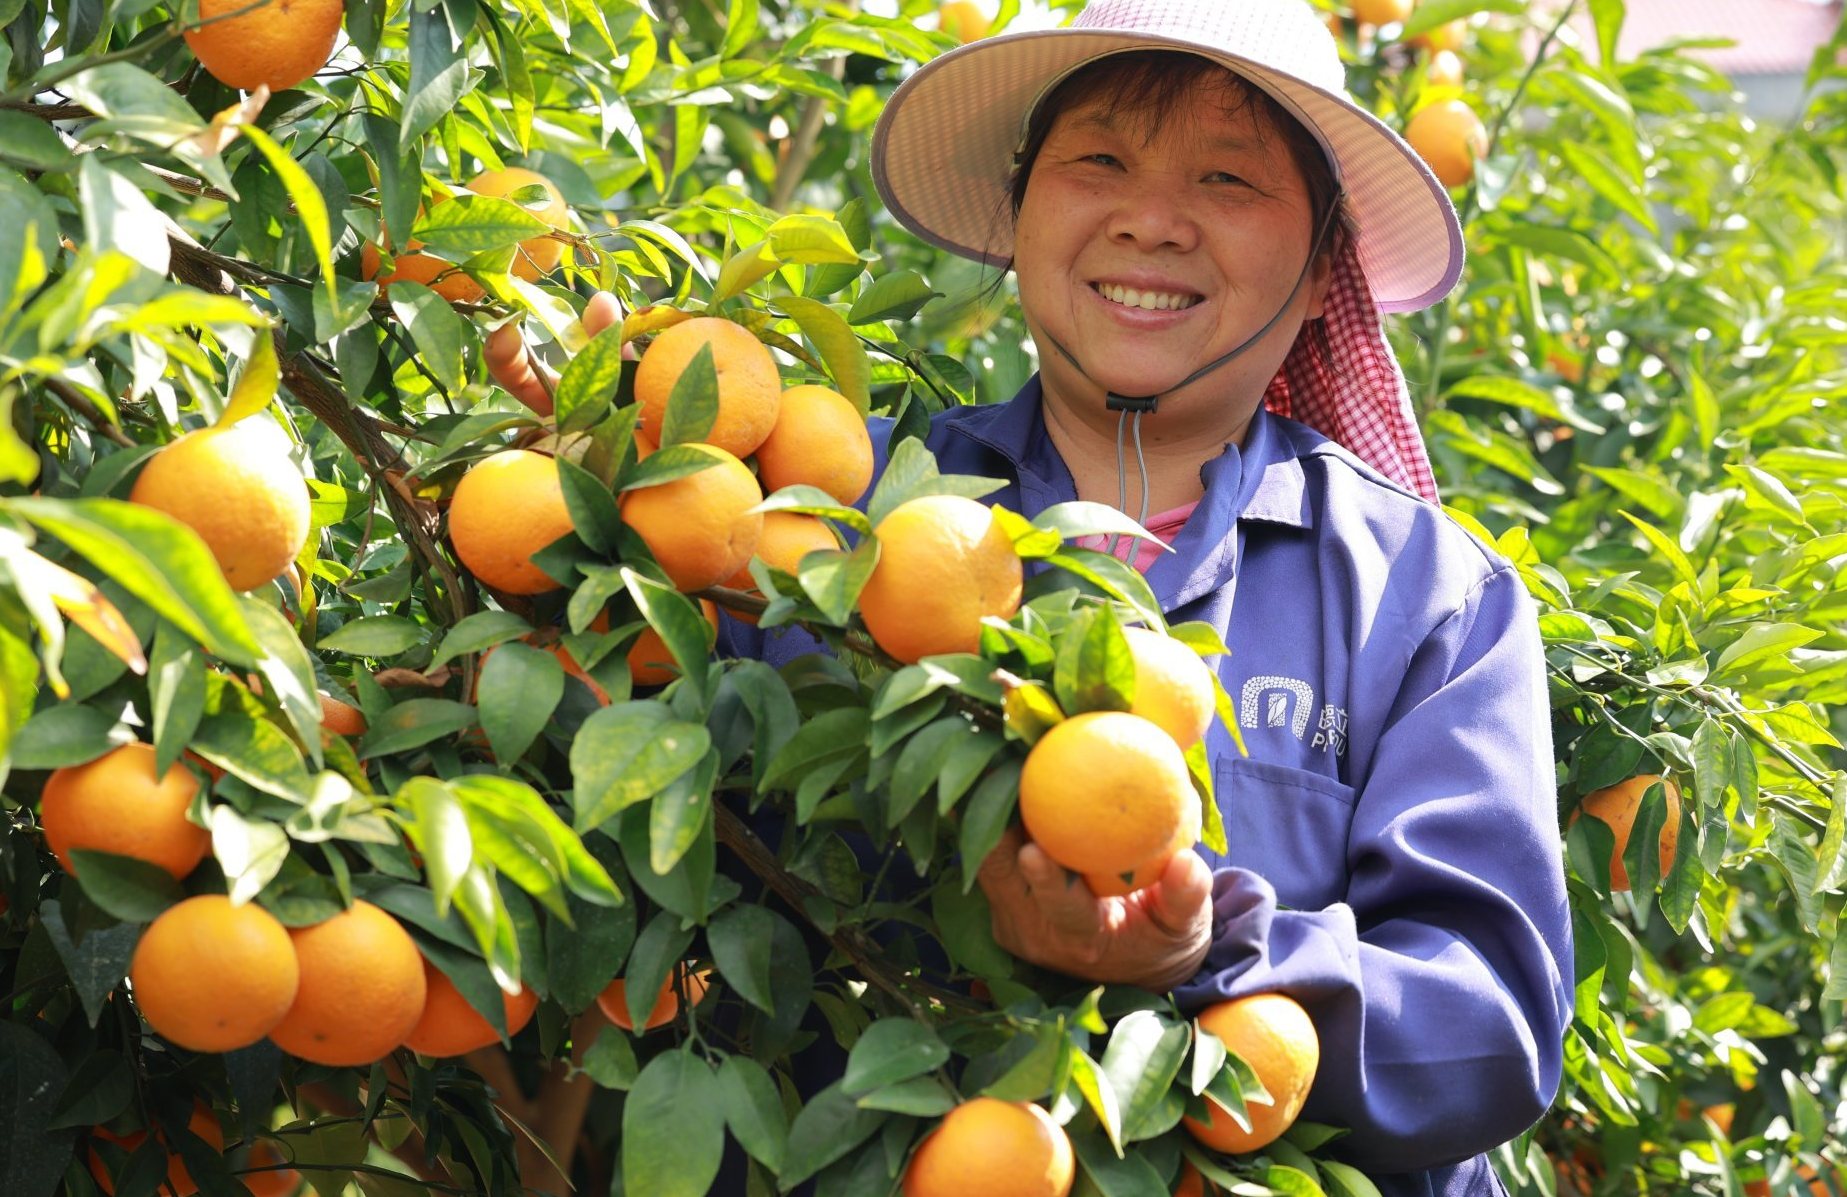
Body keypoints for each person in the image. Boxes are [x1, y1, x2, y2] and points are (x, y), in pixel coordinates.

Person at [488, 1, 1574, 1191]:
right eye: (1098, 160)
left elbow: (1491, 1025)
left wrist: (1210, 955)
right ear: (1017, 212)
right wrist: (580, 536)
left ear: (1324, 270)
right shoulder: (831, 509)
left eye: (1225, 177)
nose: (1149, 219)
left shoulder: (1424, 599)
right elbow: (611, 844)